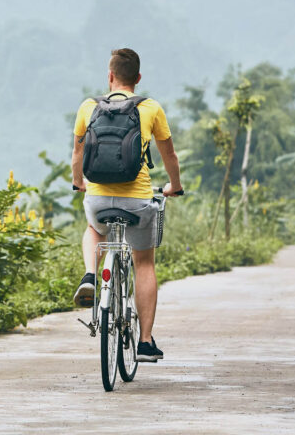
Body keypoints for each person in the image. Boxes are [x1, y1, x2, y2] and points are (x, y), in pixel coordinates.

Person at [70, 48, 183, 363]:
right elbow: (169, 156)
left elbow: (77, 156)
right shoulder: (150, 108)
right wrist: (174, 186)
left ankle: (91, 275)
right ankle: (145, 342)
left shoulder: (89, 106)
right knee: (144, 262)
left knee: (93, 229)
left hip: (98, 198)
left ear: (110, 76)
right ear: (138, 78)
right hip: (137, 202)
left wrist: (79, 182)